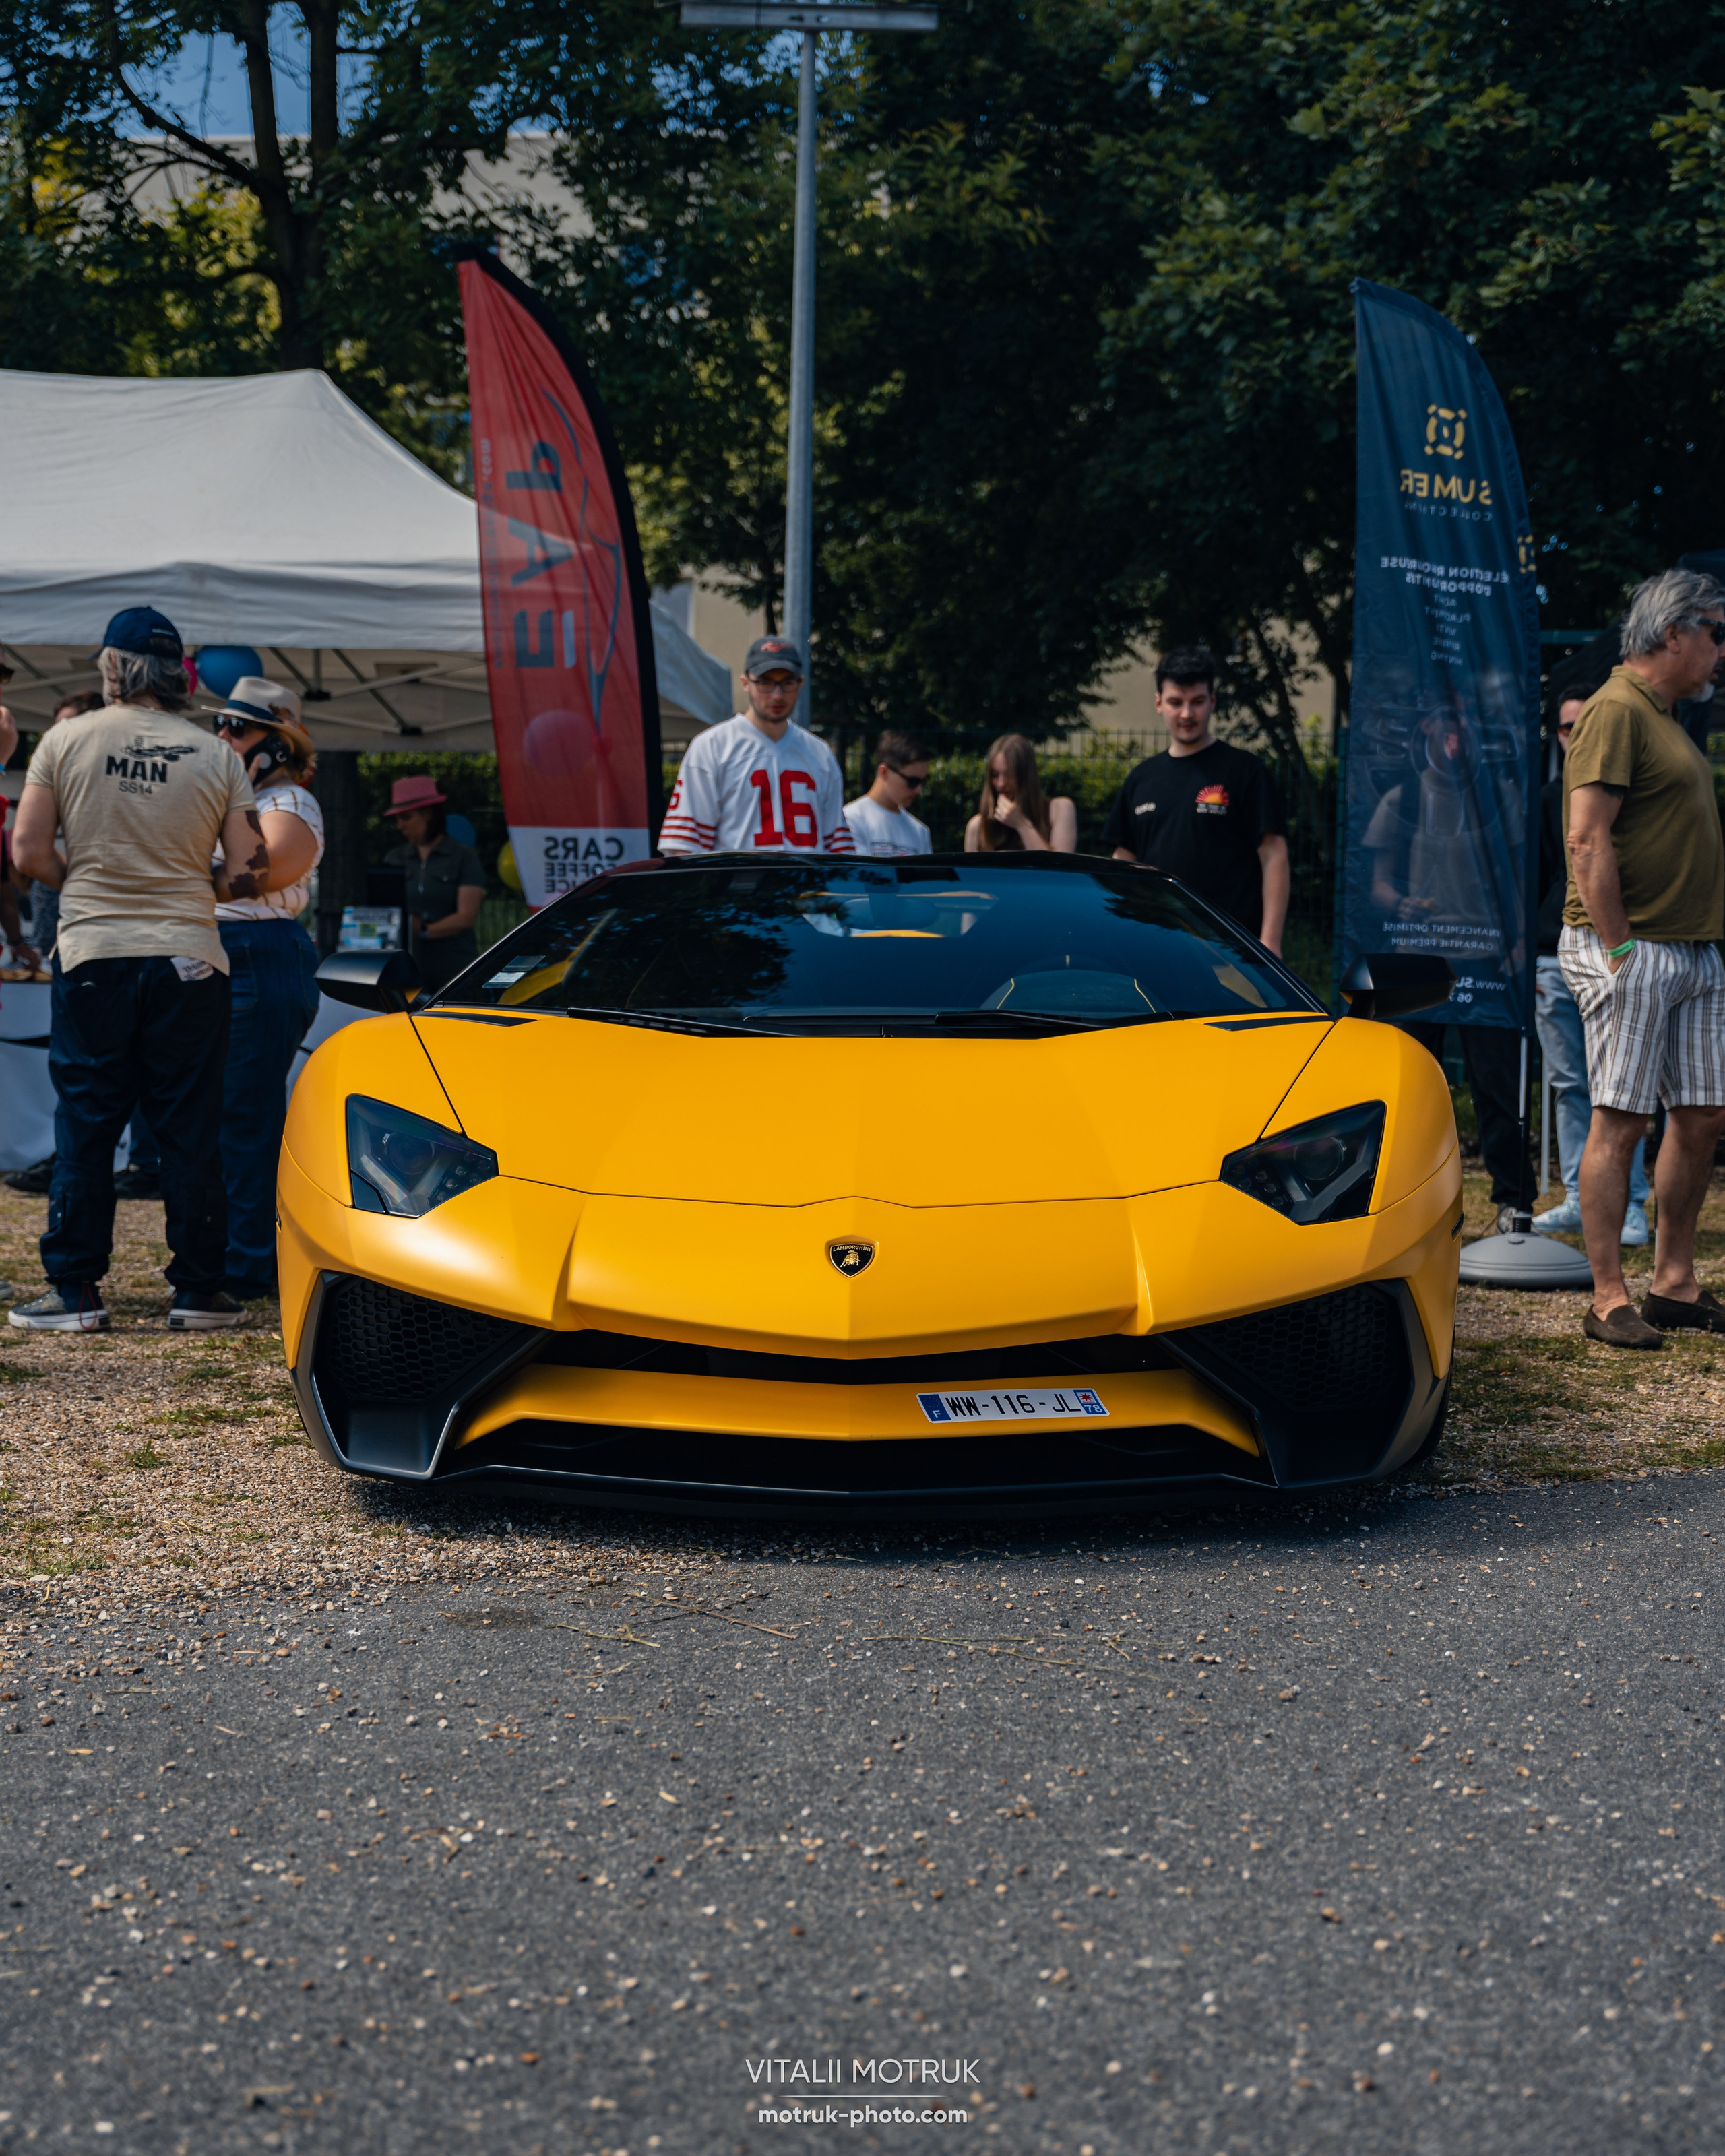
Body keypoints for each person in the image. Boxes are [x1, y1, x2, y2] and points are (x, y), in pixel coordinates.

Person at [7, 606, 265, 1333]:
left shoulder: (66, 738)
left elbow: (27, 853)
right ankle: (199, 1290)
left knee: (88, 1120)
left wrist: (91, 878)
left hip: (95, 949)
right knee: (190, 1125)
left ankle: (76, 1291)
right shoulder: (216, 753)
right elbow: (250, 873)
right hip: (190, 954)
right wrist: (183, 889)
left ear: (114, 668)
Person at [1560, 567, 1725, 1349]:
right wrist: (1619, 946)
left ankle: (1673, 1285)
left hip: (1690, 950)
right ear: (1673, 632)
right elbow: (1586, 838)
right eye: (1714, 634)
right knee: (1620, 1121)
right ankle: (1604, 1298)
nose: (1720, 651)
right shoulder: (1616, 709)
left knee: (1700, 1118)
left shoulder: (1662, 715)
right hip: (1633, 949)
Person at [1363, 699, 1535, 1232]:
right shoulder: (1402, 797)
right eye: (1446, 731)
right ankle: (1401, 1203)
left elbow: (1517, 883)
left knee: (1498, 1084)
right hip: (1417, 962)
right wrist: (1400, 904)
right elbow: (1378, 886)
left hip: (1483, 960)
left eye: (1465, 733)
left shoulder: (1497, 798)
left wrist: (1520, 942)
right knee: (1408, 1085)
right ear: (1427, 732)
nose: (1455, 743)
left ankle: (1514, 1203)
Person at [208, 678, 325, 1300]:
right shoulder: (234, 798)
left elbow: (262, 873)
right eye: (221, 724)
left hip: (259, 952)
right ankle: (227, 1253)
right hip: (225, 954)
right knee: (219, 1113)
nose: (222, 736)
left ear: (278, 747)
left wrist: (171, 878)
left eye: (238, 728)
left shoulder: (291, 804)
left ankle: (249, 1264)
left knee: (244, 1115)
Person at [1532, 650, 1649, 1243]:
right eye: (1566, 727)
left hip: (1613, 951)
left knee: (1623, 1084)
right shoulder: (1547, 793)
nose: (1577, 737)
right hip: (1553, 957)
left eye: (1586, 726)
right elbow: (1538, 877)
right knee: (1569, 1083)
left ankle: (1632, 1204)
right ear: (1555, 733)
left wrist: (1626, 949)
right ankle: (1581, 1197)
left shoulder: (1629, 787)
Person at [1102, 647, 1287, 947]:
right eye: (1176, 702)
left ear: (1213, 701)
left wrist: (1270, 943)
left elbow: (1274, 855)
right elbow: (1124, 861)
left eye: (1197, 702)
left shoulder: (1245, 771)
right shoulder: (1141, 778)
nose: (1187, 714)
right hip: (1155, 943)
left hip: (1232, 949)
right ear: (1159, 703)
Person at [659, 637, 854, 856]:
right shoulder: (712, 747)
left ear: (801, 683)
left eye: (787, 682)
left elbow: (839, 852)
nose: (777, 694)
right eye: (765, 682)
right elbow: (683, 848)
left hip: (807, 889)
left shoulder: (820, 753)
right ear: (745, 683)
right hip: (737, 888)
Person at [381, 777, 487, 992]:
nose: (400, 825)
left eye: (406, 817)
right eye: (398, 819)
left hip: (454, 968)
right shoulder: (394, 858)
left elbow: (466, 917)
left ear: (428, 814)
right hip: (406, 967)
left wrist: (423, 931)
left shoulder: (464, 857)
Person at [965, 734, 1077, 854]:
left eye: (1009, 774)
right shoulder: (978, 826)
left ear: (1025, 776)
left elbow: (1057, 868)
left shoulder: (1060, 809)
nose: (1001, 784)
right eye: (995, 775)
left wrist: (1022, 825)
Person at [844, 730, 933, 856]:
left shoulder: (920, 831)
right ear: (884, 772)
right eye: (912, 781)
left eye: (923, 781)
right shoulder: (850, 819)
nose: (919, 790)